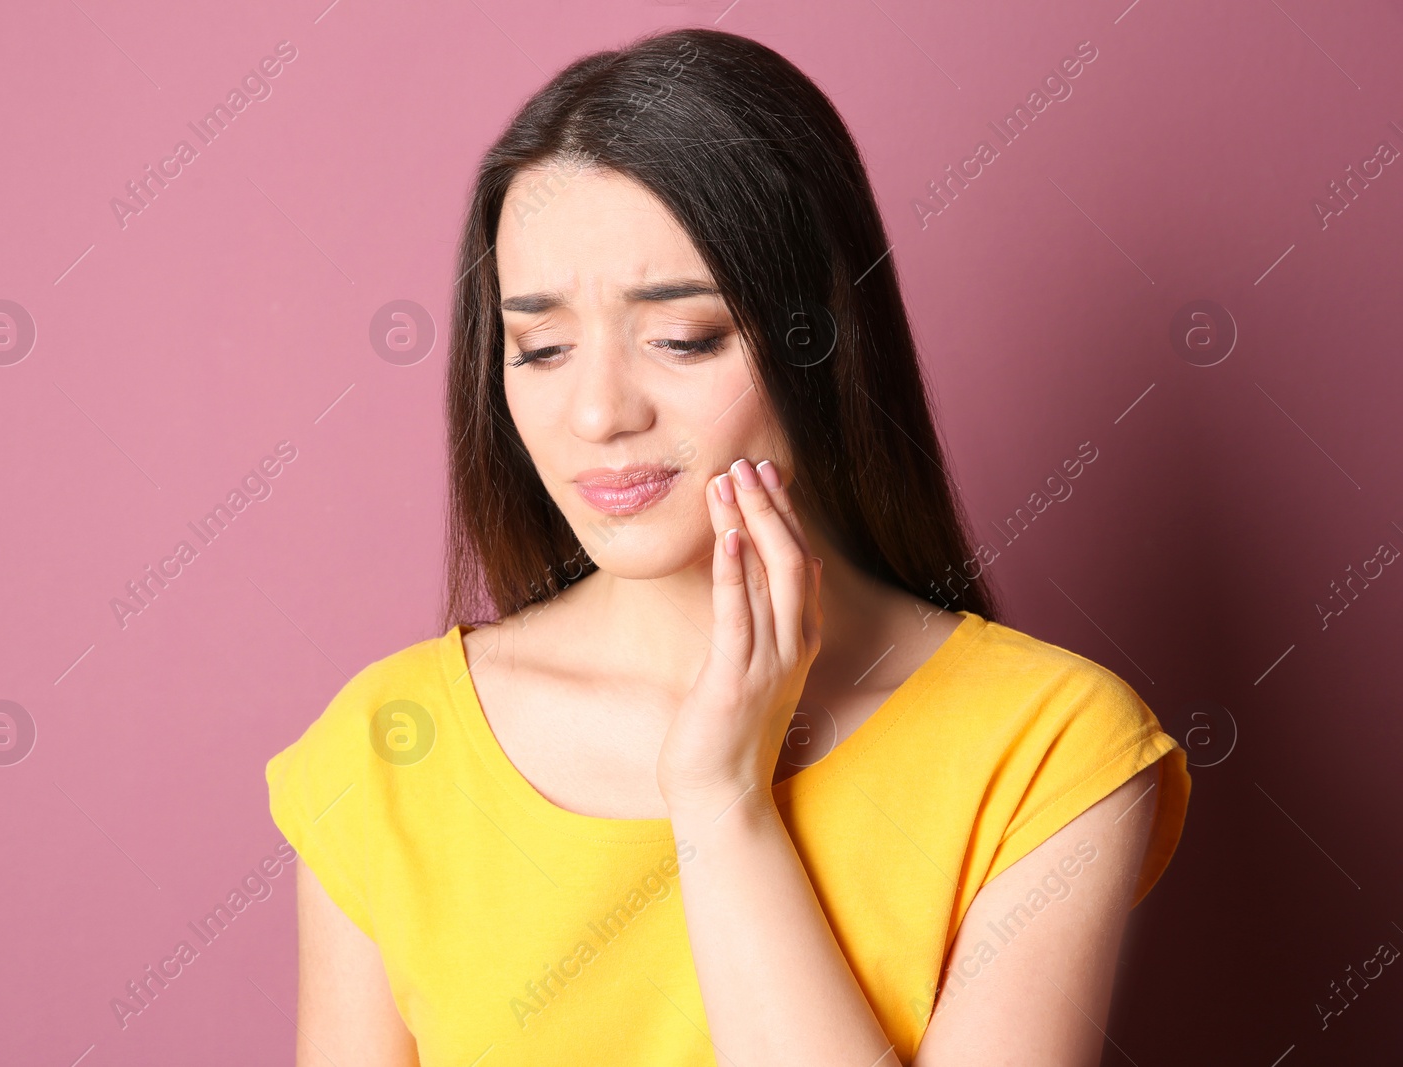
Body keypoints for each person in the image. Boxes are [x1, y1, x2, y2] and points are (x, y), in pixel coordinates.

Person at [266, 26, 1189, 1066]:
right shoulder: (389, 748)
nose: (597, 412)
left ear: (820, 336)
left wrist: (719, 800)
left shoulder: (1048, 749)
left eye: (683, 336)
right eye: (541, 346)